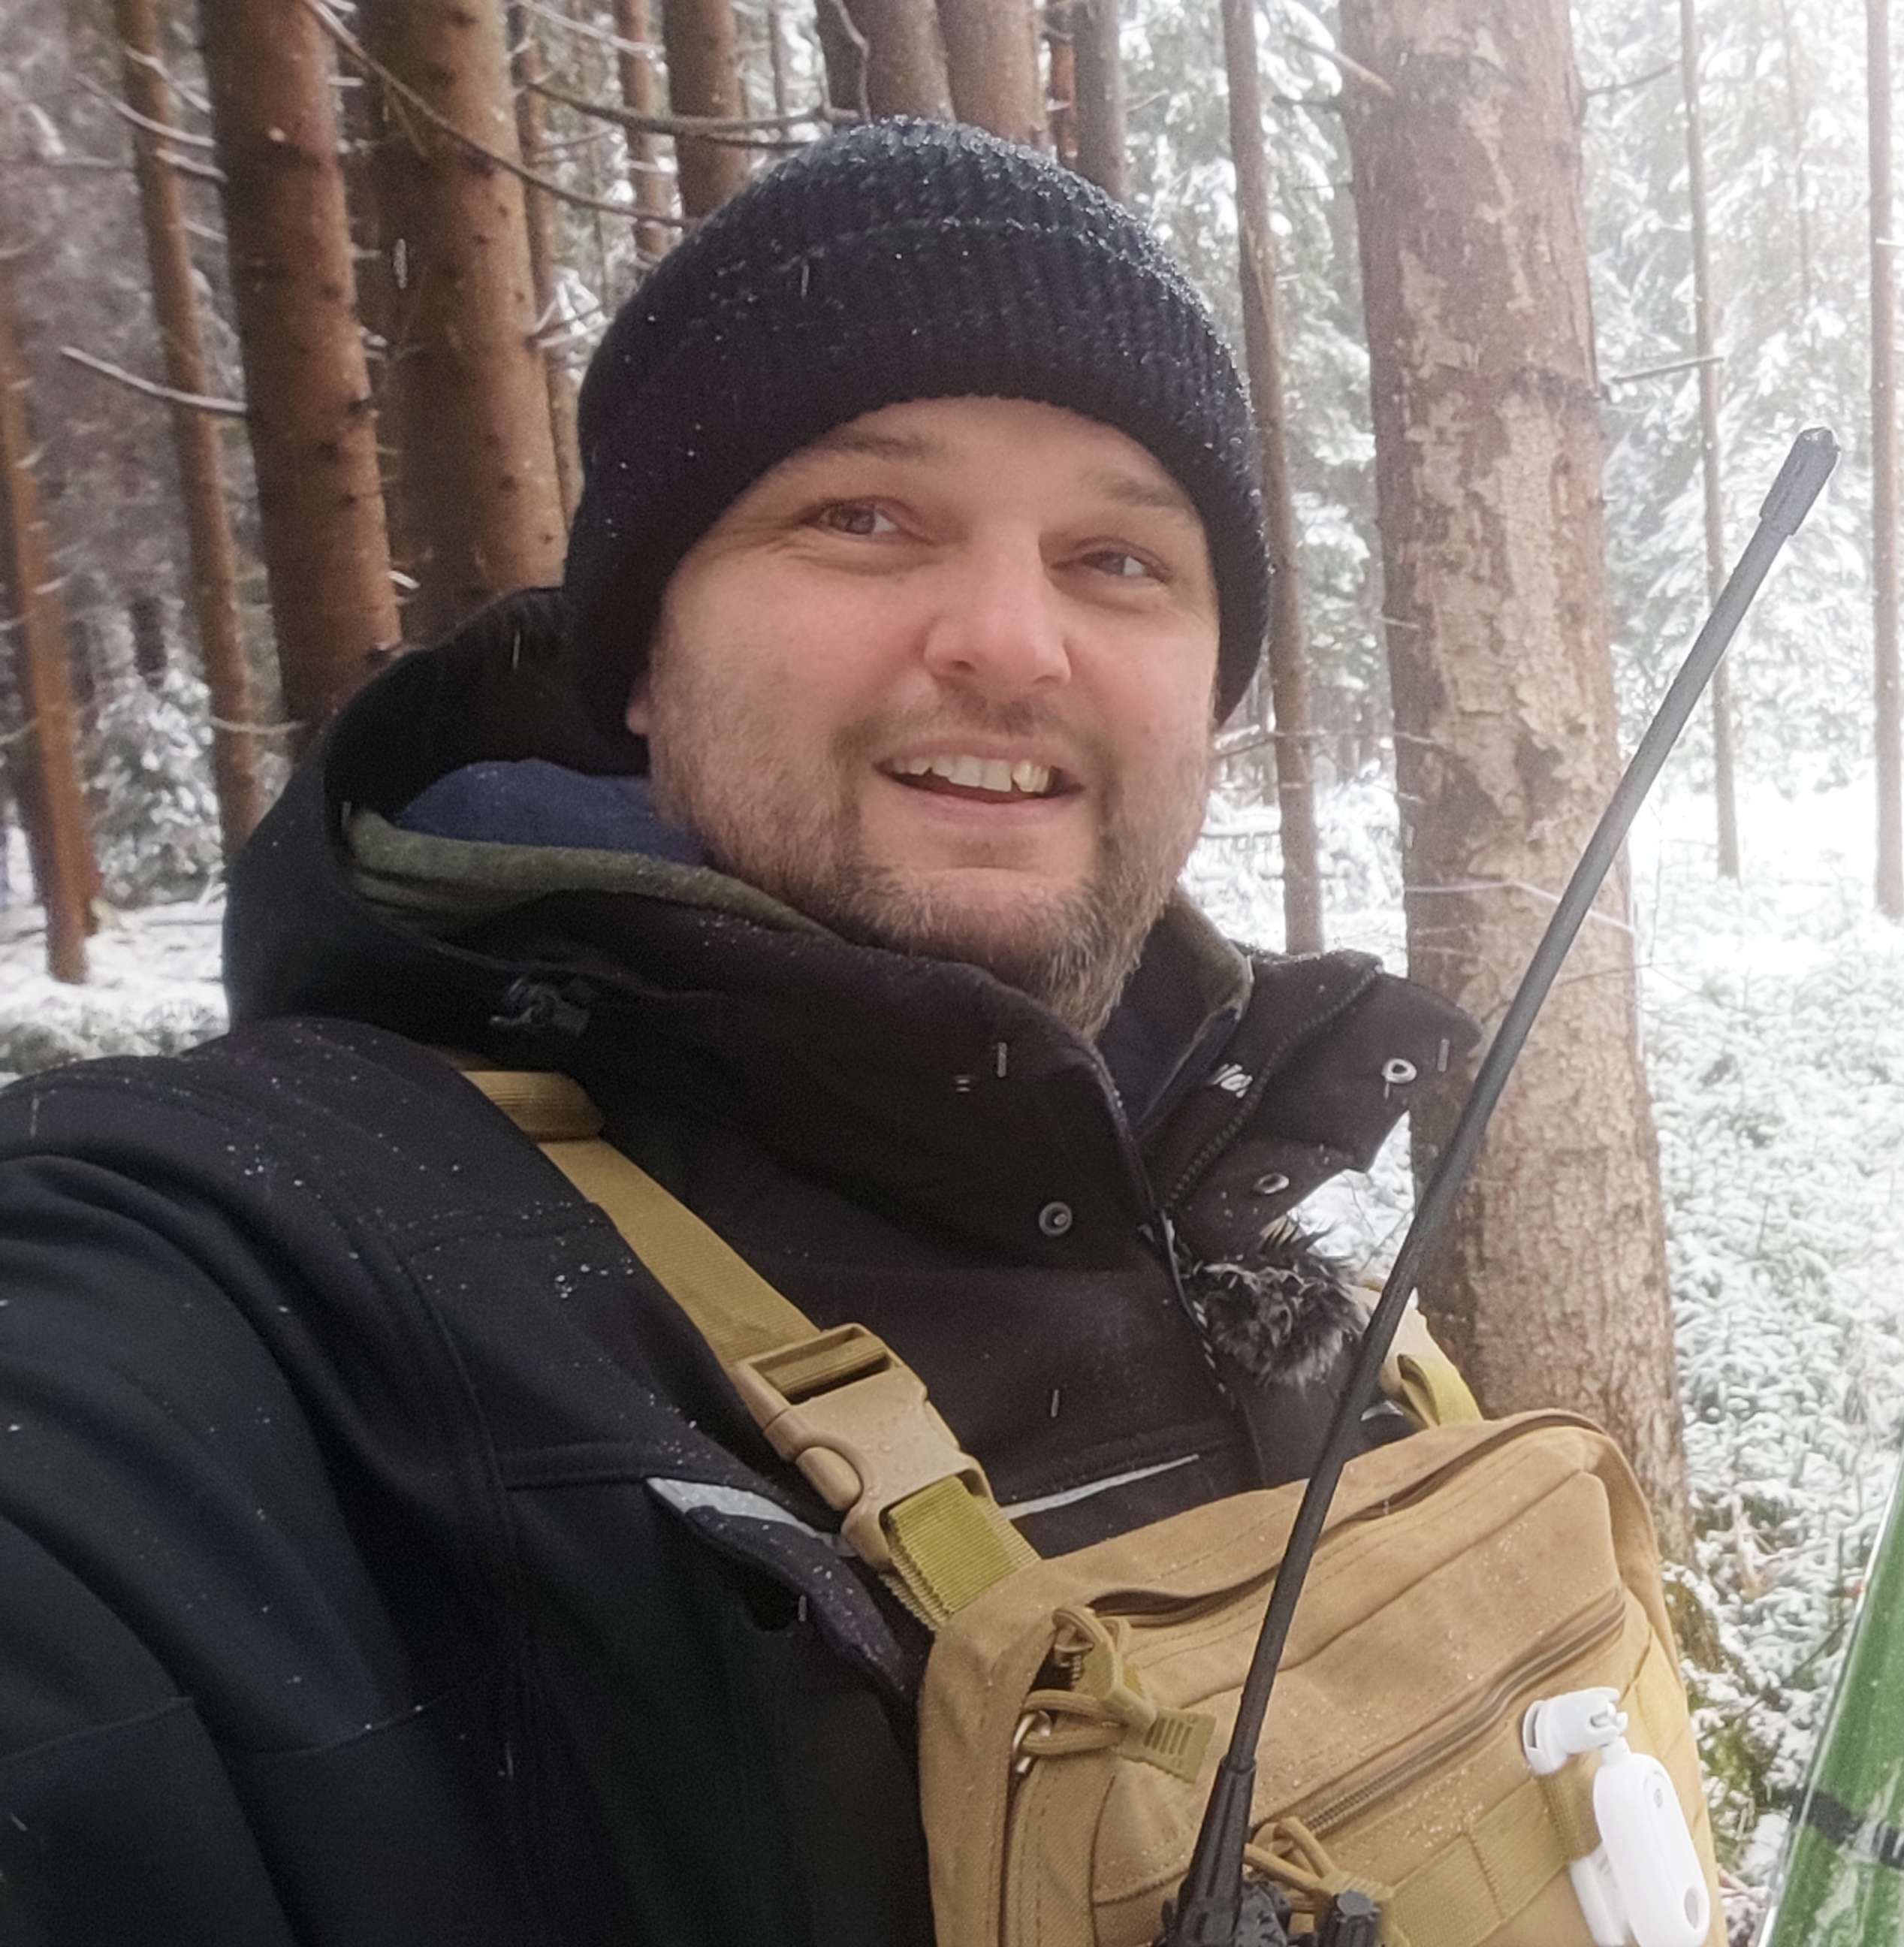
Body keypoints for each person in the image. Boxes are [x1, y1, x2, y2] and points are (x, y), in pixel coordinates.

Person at [0, 120, 1474, 1947]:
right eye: (865, 518)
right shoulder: (248, 1282)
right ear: (640, 653)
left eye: (1117, 557)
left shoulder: (1228, 1151)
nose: (1012, 643)